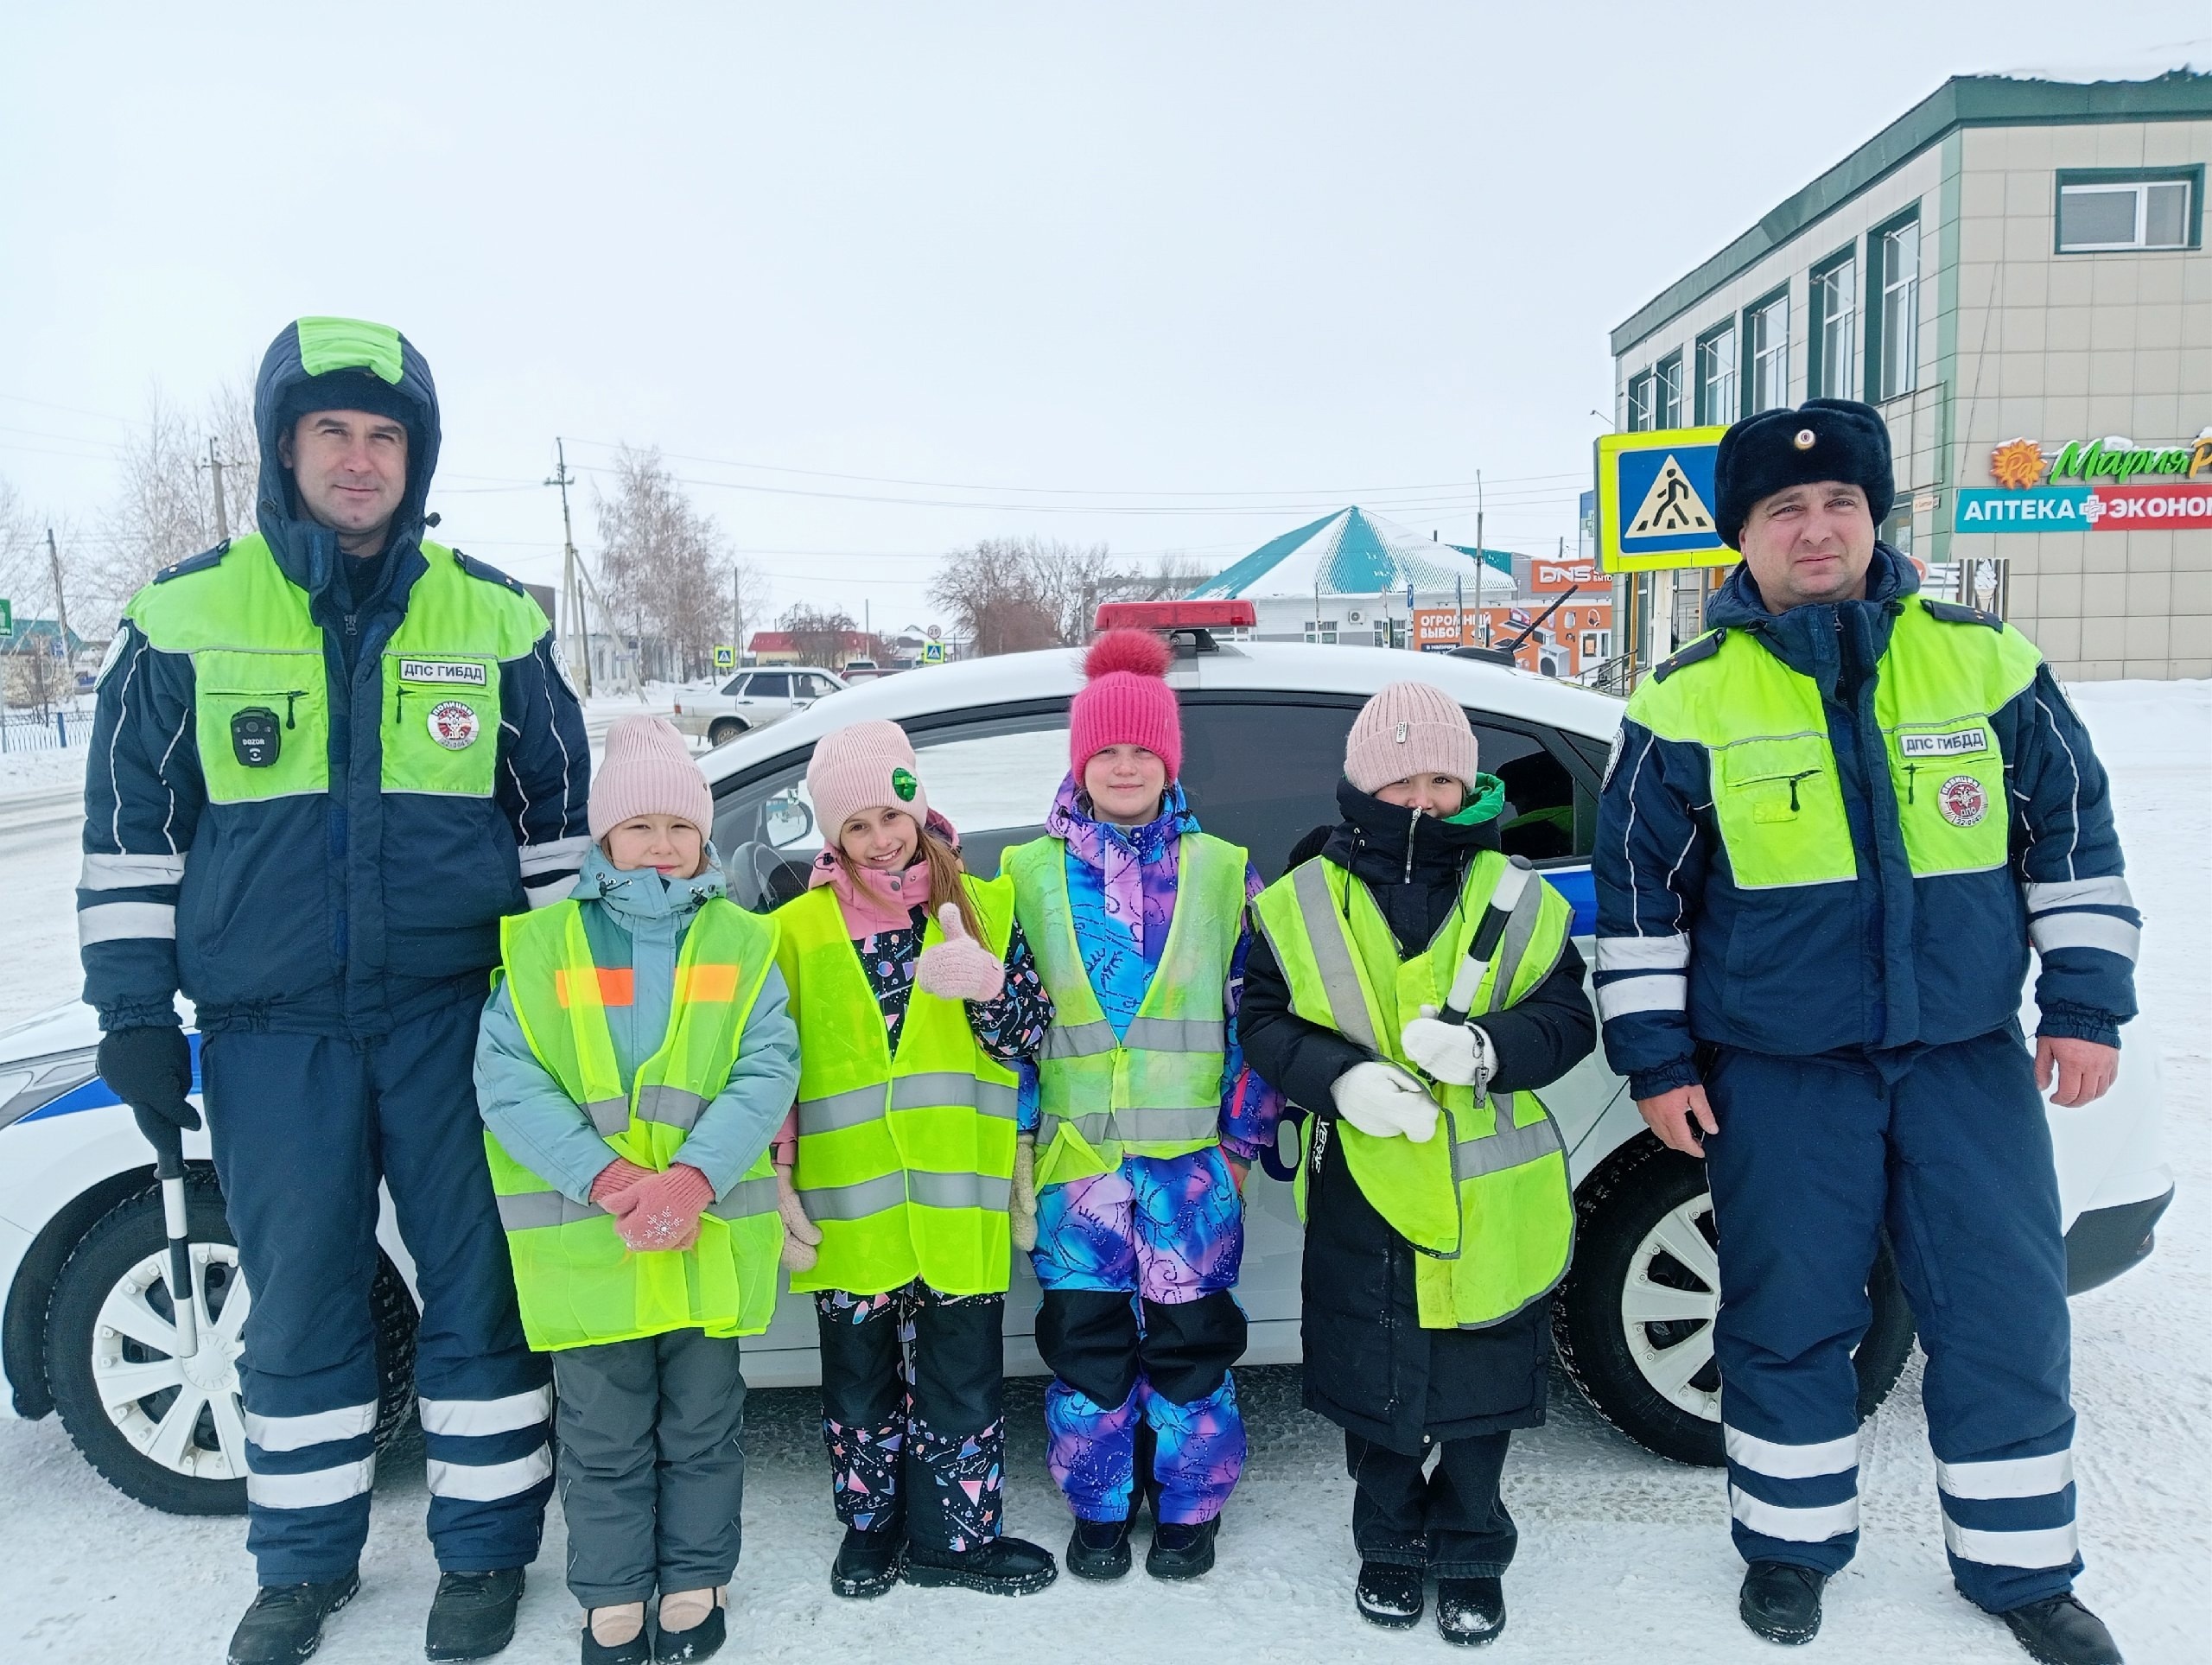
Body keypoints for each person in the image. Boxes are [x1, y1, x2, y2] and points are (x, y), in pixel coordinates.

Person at [1592, 399, 2139, 1664]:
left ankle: (2022, 1566)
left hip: (1962, 1059)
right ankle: (1788, 1548)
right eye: (1786, 509)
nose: (1818, 527)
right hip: (1781, 1073)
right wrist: (1658, 1061)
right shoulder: (1685, 701)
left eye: (1840, 502)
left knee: (2004, 1309)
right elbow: (1638, 897)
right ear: (1742, 537)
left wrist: (2086, 1004)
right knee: (1786, 1313)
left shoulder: (1983, 660)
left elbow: (2075, 840)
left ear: (1873, 515)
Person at [79, 317, 590, 1665]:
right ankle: (303, 1566)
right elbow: (133, 836)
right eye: (332, 432)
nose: (359, 459)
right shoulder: (183, 617)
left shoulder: (494, 618)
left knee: (480, 1294)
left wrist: (581, 1015)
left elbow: (557, 833)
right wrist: (132, 1010)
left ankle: (482, 1553)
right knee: (299, 1301)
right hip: (270, 1032)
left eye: (385, 436)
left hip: (458, 1021)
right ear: (282, 447)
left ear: (414, 459)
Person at [1241, 683, 1596, 1647]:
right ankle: (1388, 1543)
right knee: (1378, 1386)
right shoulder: (1297, 899)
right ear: (1362, 782)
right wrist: (1339, 1081)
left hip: (1492, 1197)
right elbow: (1263, 1023)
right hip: (1367, 1194)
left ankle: (1473, 1549)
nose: (1424, 798)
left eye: (1444, 777)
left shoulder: (1519, 895)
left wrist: (1489, 1049)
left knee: (1481, 1390)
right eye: (1402, 778)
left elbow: (1568, 1020)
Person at [474, 717, 798, 1664]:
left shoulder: (744, 941)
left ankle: (696, 1576)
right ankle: (611, 1592)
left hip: (703, 1232)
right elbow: (509, 1078)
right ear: (604, 837)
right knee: (602, 1433)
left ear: (705, 837)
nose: (662, 845)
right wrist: (612, 1179)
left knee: (704, 1424)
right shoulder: (543, 946)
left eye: (680, 827)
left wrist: (694, 1179)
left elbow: (766, 1065)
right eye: (640, 825)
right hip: (592, 1237)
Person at [1001, 629, 1284, 1583]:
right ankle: (1098, 1501)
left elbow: (1256, 1018)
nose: (1125, 767)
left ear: (1169, 760)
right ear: (1081, 760)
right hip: (1075, 1173)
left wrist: (1241, 1144)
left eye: (1143, 751)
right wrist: (1014, 1148)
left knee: (1191, 1344)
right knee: (1084, 1344)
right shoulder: (1027, 876)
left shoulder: (1220, 871)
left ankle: (1190, 1501)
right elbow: (1009, 1024)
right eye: (1106, 751)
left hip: (1191, 1171)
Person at [771, 720, 1060, 1599]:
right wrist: (777, 1173)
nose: (880, 838)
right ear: (831, 836)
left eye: (891, 814)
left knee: (961, 1377)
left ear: (918, 804)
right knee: (857, 1383)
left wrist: (992, 988)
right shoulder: (794, 930)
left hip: (955, 1196)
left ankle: (957, 1539)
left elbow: (1032, 1036)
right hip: (848, 1205)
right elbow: (773, 1068)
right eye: (853, 826)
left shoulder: (987, 904)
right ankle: (870, 1532)